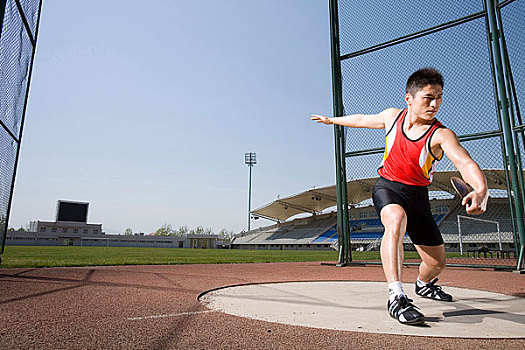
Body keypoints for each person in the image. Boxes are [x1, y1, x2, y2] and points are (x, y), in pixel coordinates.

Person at [311, 67, 488, 325]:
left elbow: (465, 163)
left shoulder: (441, 134)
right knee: (395, 219)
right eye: (428, 97)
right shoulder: (392, 117)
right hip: (388, 186)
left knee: (437, 263)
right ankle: (396, 296)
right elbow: (361, 119)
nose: (435, 103)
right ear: (409, 98)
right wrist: (331, 120)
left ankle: (423, 283)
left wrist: (481, 190)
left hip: (418, 195)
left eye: (439, 97)